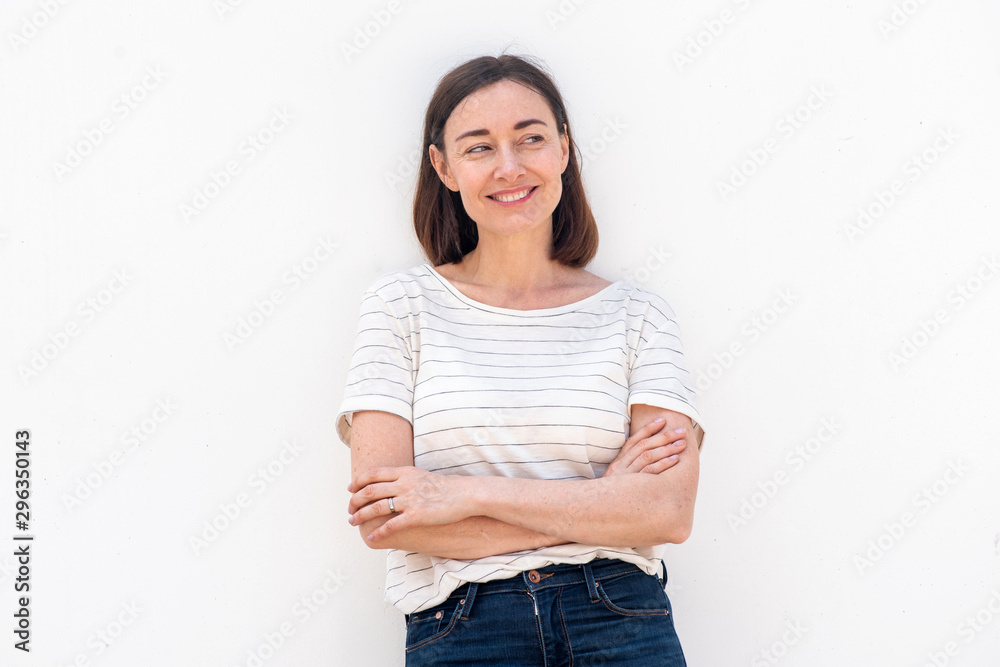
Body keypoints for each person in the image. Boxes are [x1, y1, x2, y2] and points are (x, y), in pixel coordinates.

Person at [337, 53, 705, 666]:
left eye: (530, 138)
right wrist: (605, 502)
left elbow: (666, 510)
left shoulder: (638, 314)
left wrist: (461, 495)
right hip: (465, 627)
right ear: (443, 167)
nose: (510, 166)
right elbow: (389, 520)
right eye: (479, 147)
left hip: (620, 621)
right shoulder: (400, 307)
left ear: (563, 149)